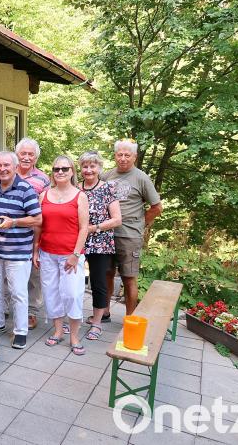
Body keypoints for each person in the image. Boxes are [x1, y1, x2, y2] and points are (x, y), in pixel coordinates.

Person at [0, 151, 42, 349]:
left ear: (15, 167)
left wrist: (14, 222)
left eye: (7, 165)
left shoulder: (26, 189)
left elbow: (37, 219)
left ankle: (20, 331)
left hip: (18, 252)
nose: (3, 169)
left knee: (17, 292)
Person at [33, 156, 90, 356]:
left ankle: (74, 336)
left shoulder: (80, 196)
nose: (60, 172)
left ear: (72, 171)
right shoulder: (44, 195)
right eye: (56, 169)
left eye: (65, 168)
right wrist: (35, 249)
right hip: (47, 253)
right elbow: (39, 225)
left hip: (70, 255)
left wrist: (76, 254)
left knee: (72, 295)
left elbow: (84, 228)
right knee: (51, 294)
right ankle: (58, 331)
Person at [101, 139, 162, 316]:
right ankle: (104, 312)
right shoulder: (106, 176)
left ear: (134, 157)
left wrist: (141, 224)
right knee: (107, 274)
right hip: (107, 234)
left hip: (129, 236)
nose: (123, 158)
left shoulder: (141, 178)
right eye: (120, 154)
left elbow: (157, 208)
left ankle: (130, 318)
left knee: (128, 277)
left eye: (127, 155)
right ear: (115, 156)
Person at [78, 151, 122, 340]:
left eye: (92, 166)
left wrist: (94, 228)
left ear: (99, 168)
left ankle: (97, 323)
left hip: (100, 243)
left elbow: (117, 219)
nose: (88, 170)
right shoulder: (75, 188)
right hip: (77, 241)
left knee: (98, 282)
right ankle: (72, 320)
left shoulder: (108, 188)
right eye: (85, 166)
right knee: (73, 282)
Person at [14, 138, 51, 331]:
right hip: (9, 233)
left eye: (30, 154)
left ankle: (32, 312)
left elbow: (45, 210)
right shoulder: (5, 173)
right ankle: (8, 308)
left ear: (36, 157)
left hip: (33, 232)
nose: (26, 157)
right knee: (8, 273)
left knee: (33, 274)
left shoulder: (43, 179)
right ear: (17, 154)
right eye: (23, 153)